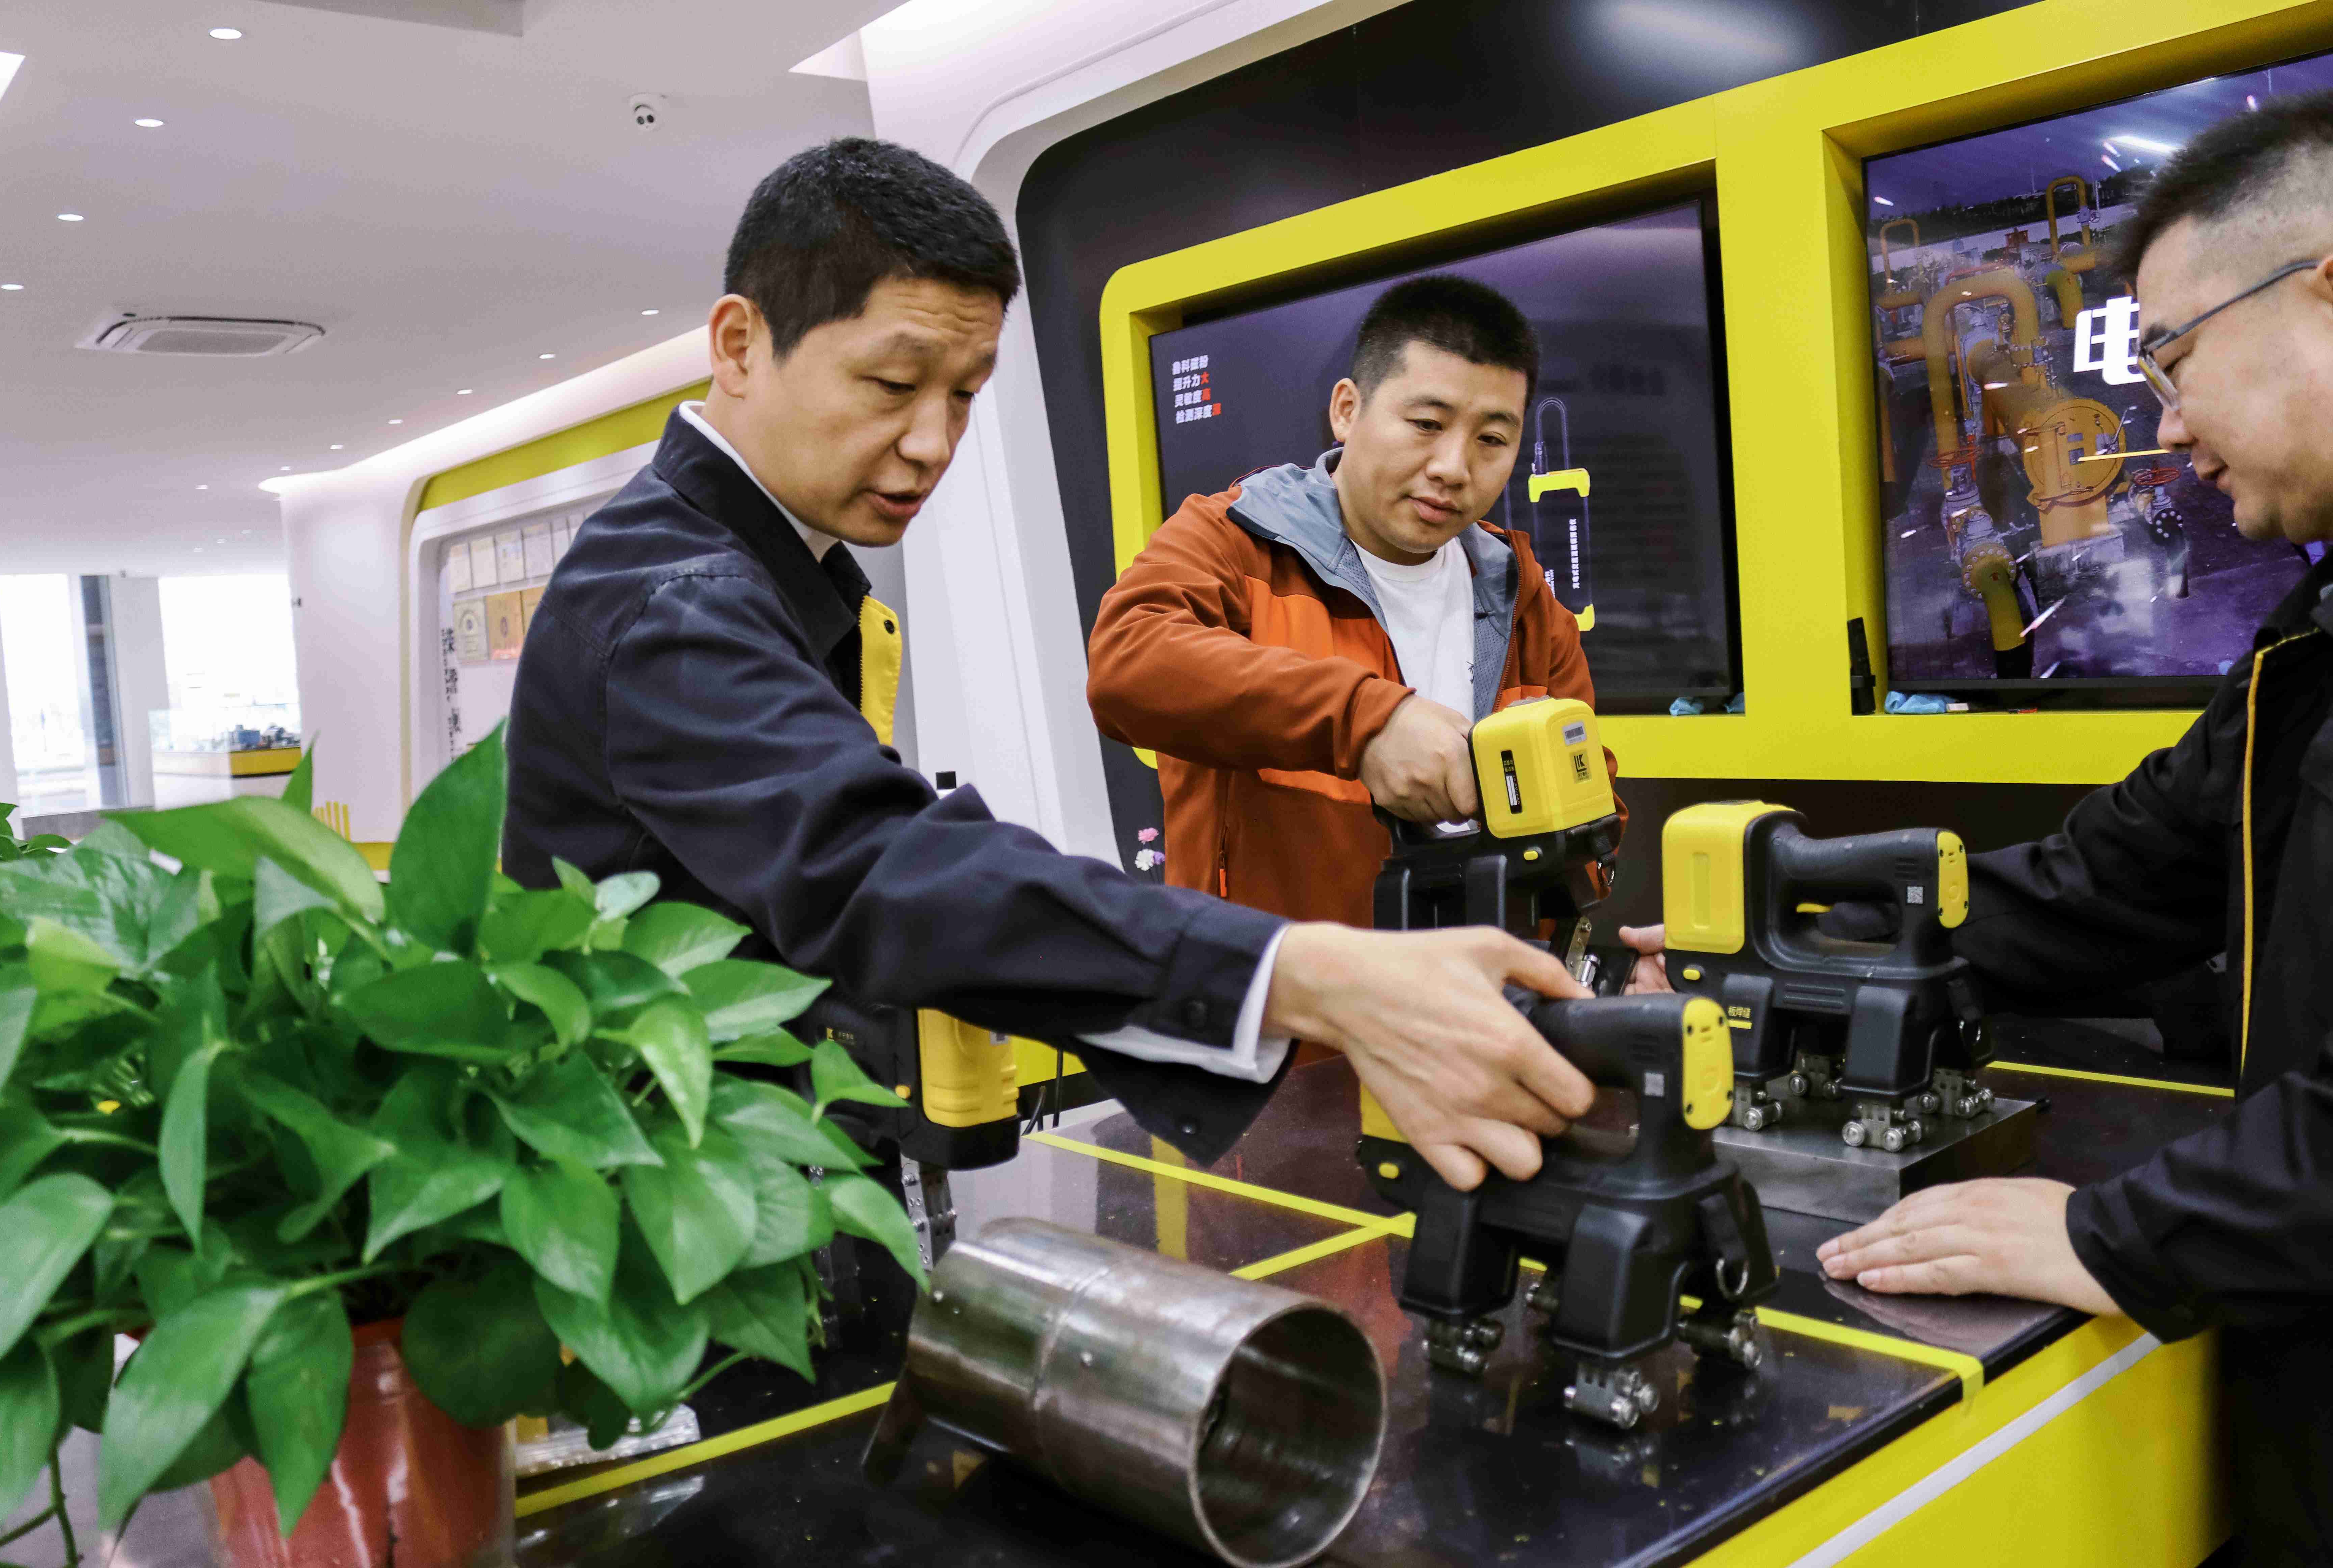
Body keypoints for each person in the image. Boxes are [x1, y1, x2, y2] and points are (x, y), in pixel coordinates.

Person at [503, 138, 1598, 1195]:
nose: (933, 443)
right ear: (741, 346)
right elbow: (872, 864)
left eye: (964, 395)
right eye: (892, 383)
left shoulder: (785, 572)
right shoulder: (678, 601)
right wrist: (1304, 975)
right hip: (665, 1202)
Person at [1634, 93, 2333, 1563]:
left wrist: (2105, 1233)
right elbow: (2114, 876)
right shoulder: (2311, 643)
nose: (2166, 424)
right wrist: (1777, 954)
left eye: (2176, 358)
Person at [1086, 276, 1615, 932]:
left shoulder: (1525, 598)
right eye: (1426, 424)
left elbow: (1593, 816)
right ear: (1346, 411)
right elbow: (1127, 663)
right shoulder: (1236, 540)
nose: (1453, 467)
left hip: (1479, 988)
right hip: (1277, 990)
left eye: (1491, 440)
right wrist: (1367, 724)